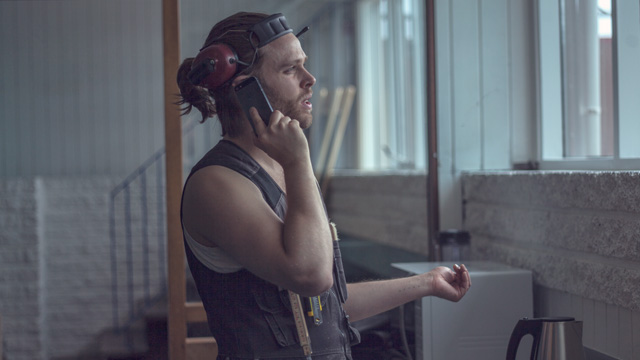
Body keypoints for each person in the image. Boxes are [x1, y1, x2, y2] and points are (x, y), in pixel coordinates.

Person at [177, 11, 471, 360]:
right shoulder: (216, 183)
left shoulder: (282, 168)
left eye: (305, 65)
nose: (311, 79)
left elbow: (325, 304)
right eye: (290, 69)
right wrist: (300, 162)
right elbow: (310, 275)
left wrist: (426, 283)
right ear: (245, 89)